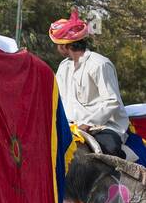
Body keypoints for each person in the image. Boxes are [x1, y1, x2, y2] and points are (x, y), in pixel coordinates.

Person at [50, 8, 131, 159]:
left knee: (110, 150)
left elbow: (112, 102)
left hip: (103, 126)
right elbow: (59, 99)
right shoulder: (63, 67)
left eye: (58, 44)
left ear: (65, 45)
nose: (57, 48)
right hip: (71, 126)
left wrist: (87, 124)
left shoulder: (99, 64)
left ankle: (119, 181)